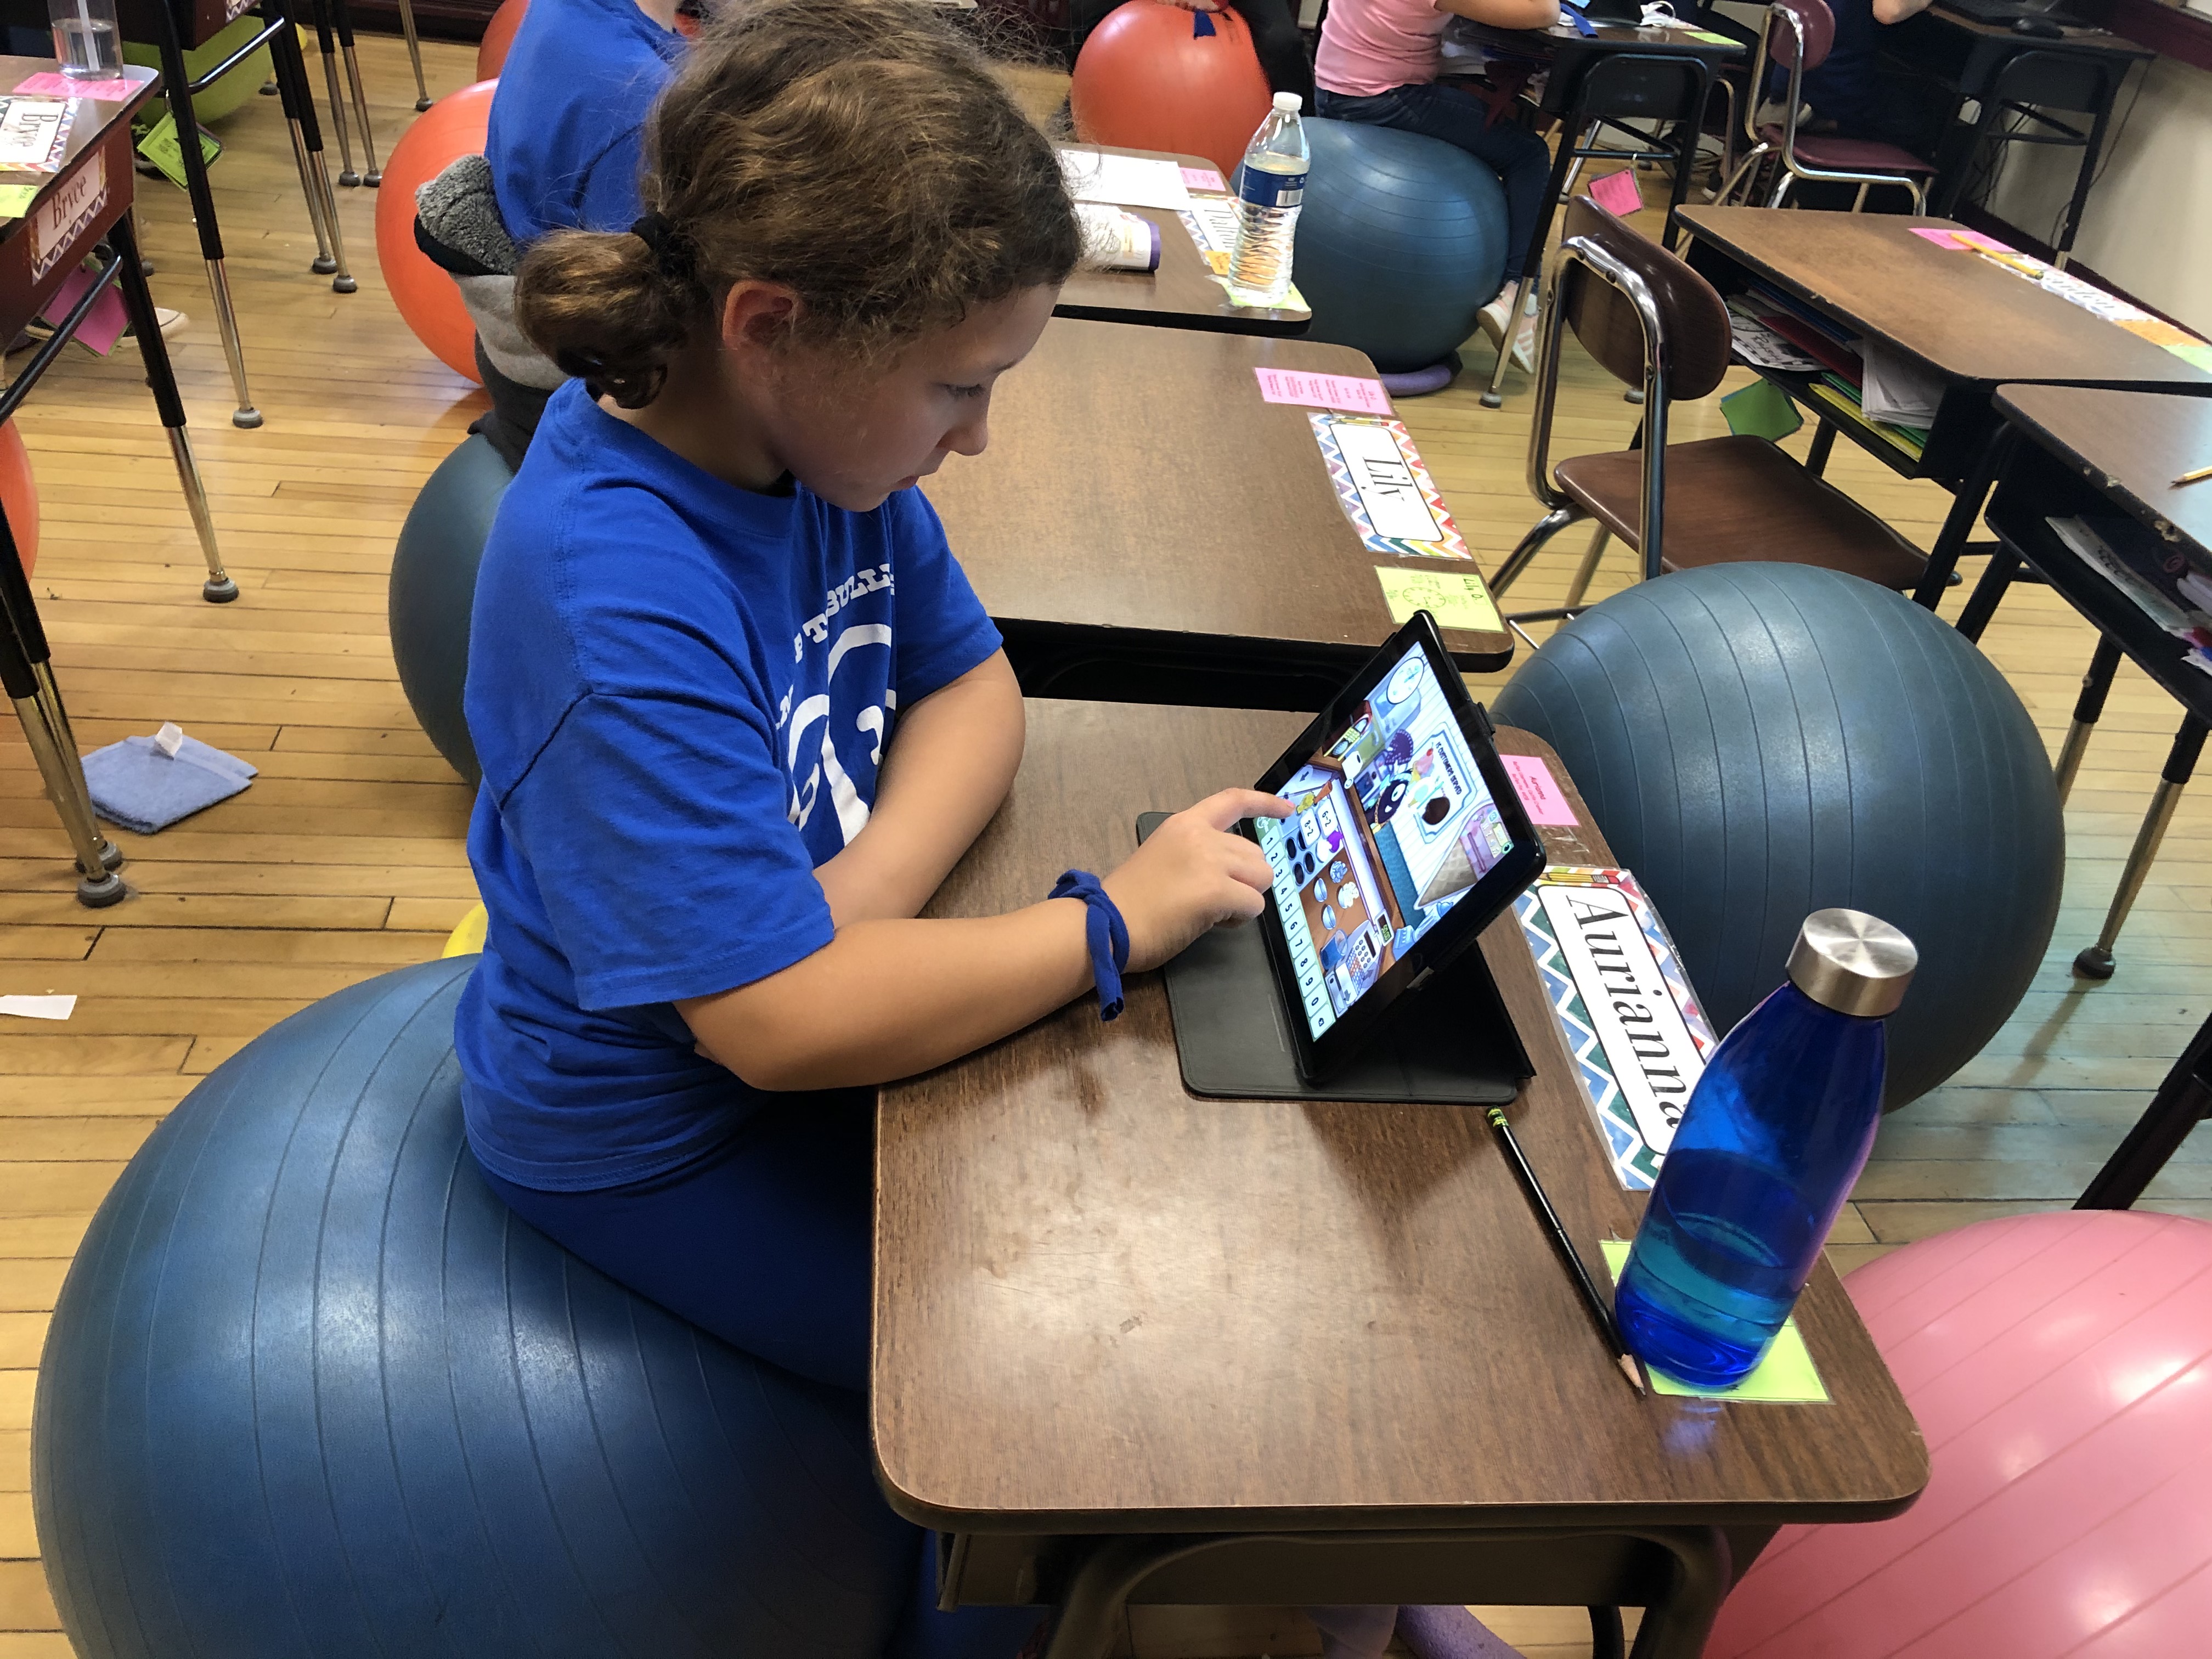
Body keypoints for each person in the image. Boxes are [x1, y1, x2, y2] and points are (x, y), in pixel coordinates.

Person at [456, 1, 1289, 1649]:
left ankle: (1330, 1588)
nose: (973, 439)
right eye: (957, 388)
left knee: (1160, 1221)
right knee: (1023, 1397)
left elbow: (977, 689)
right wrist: (1109, 922)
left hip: (805, 996)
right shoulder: (613, 595)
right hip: (653, 1137)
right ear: (769, 321)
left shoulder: (819, 454)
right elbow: (769, 1031)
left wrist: (859, 897)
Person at [424, 0, 690, 465]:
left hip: (524, 352)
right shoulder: (637, 100)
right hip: (581, 394)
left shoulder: (562, 10)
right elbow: (647, 338)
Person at [1314, 0, 1559, 370]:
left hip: (1335, 87)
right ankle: (1521, 296)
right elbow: (1545, 12)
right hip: (1381, 99)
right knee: (1529, 154)